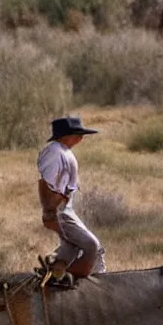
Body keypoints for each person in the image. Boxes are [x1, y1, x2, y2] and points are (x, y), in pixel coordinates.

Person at [37, 116, 106, 282]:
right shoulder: (55, 153)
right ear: (65, 136)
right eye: (77, 134)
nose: (81, 138)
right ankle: (63, 279)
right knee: (91, 246)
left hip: (64, 210)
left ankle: (57, 272)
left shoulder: (61, 151)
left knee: (72, 246)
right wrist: (52, 210)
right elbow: (47, 183)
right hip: (60, 211)